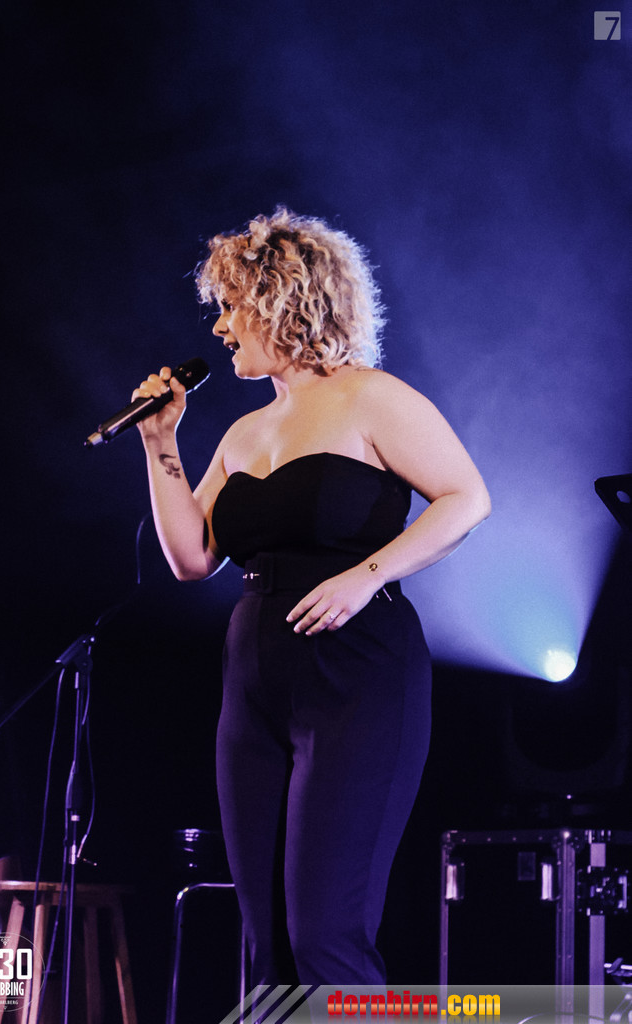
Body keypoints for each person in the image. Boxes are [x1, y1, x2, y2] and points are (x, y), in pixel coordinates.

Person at [133, 207, 490, 987]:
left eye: (231, 306)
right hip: (254, 682)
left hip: (356, 674)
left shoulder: (372, 398)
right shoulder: (243, 433)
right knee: (267, 948)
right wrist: (161, 444)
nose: (219, 327)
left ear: (281, 301)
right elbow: (191, 559)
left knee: (325, 936)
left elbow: (465, 498)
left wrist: (368, 574)